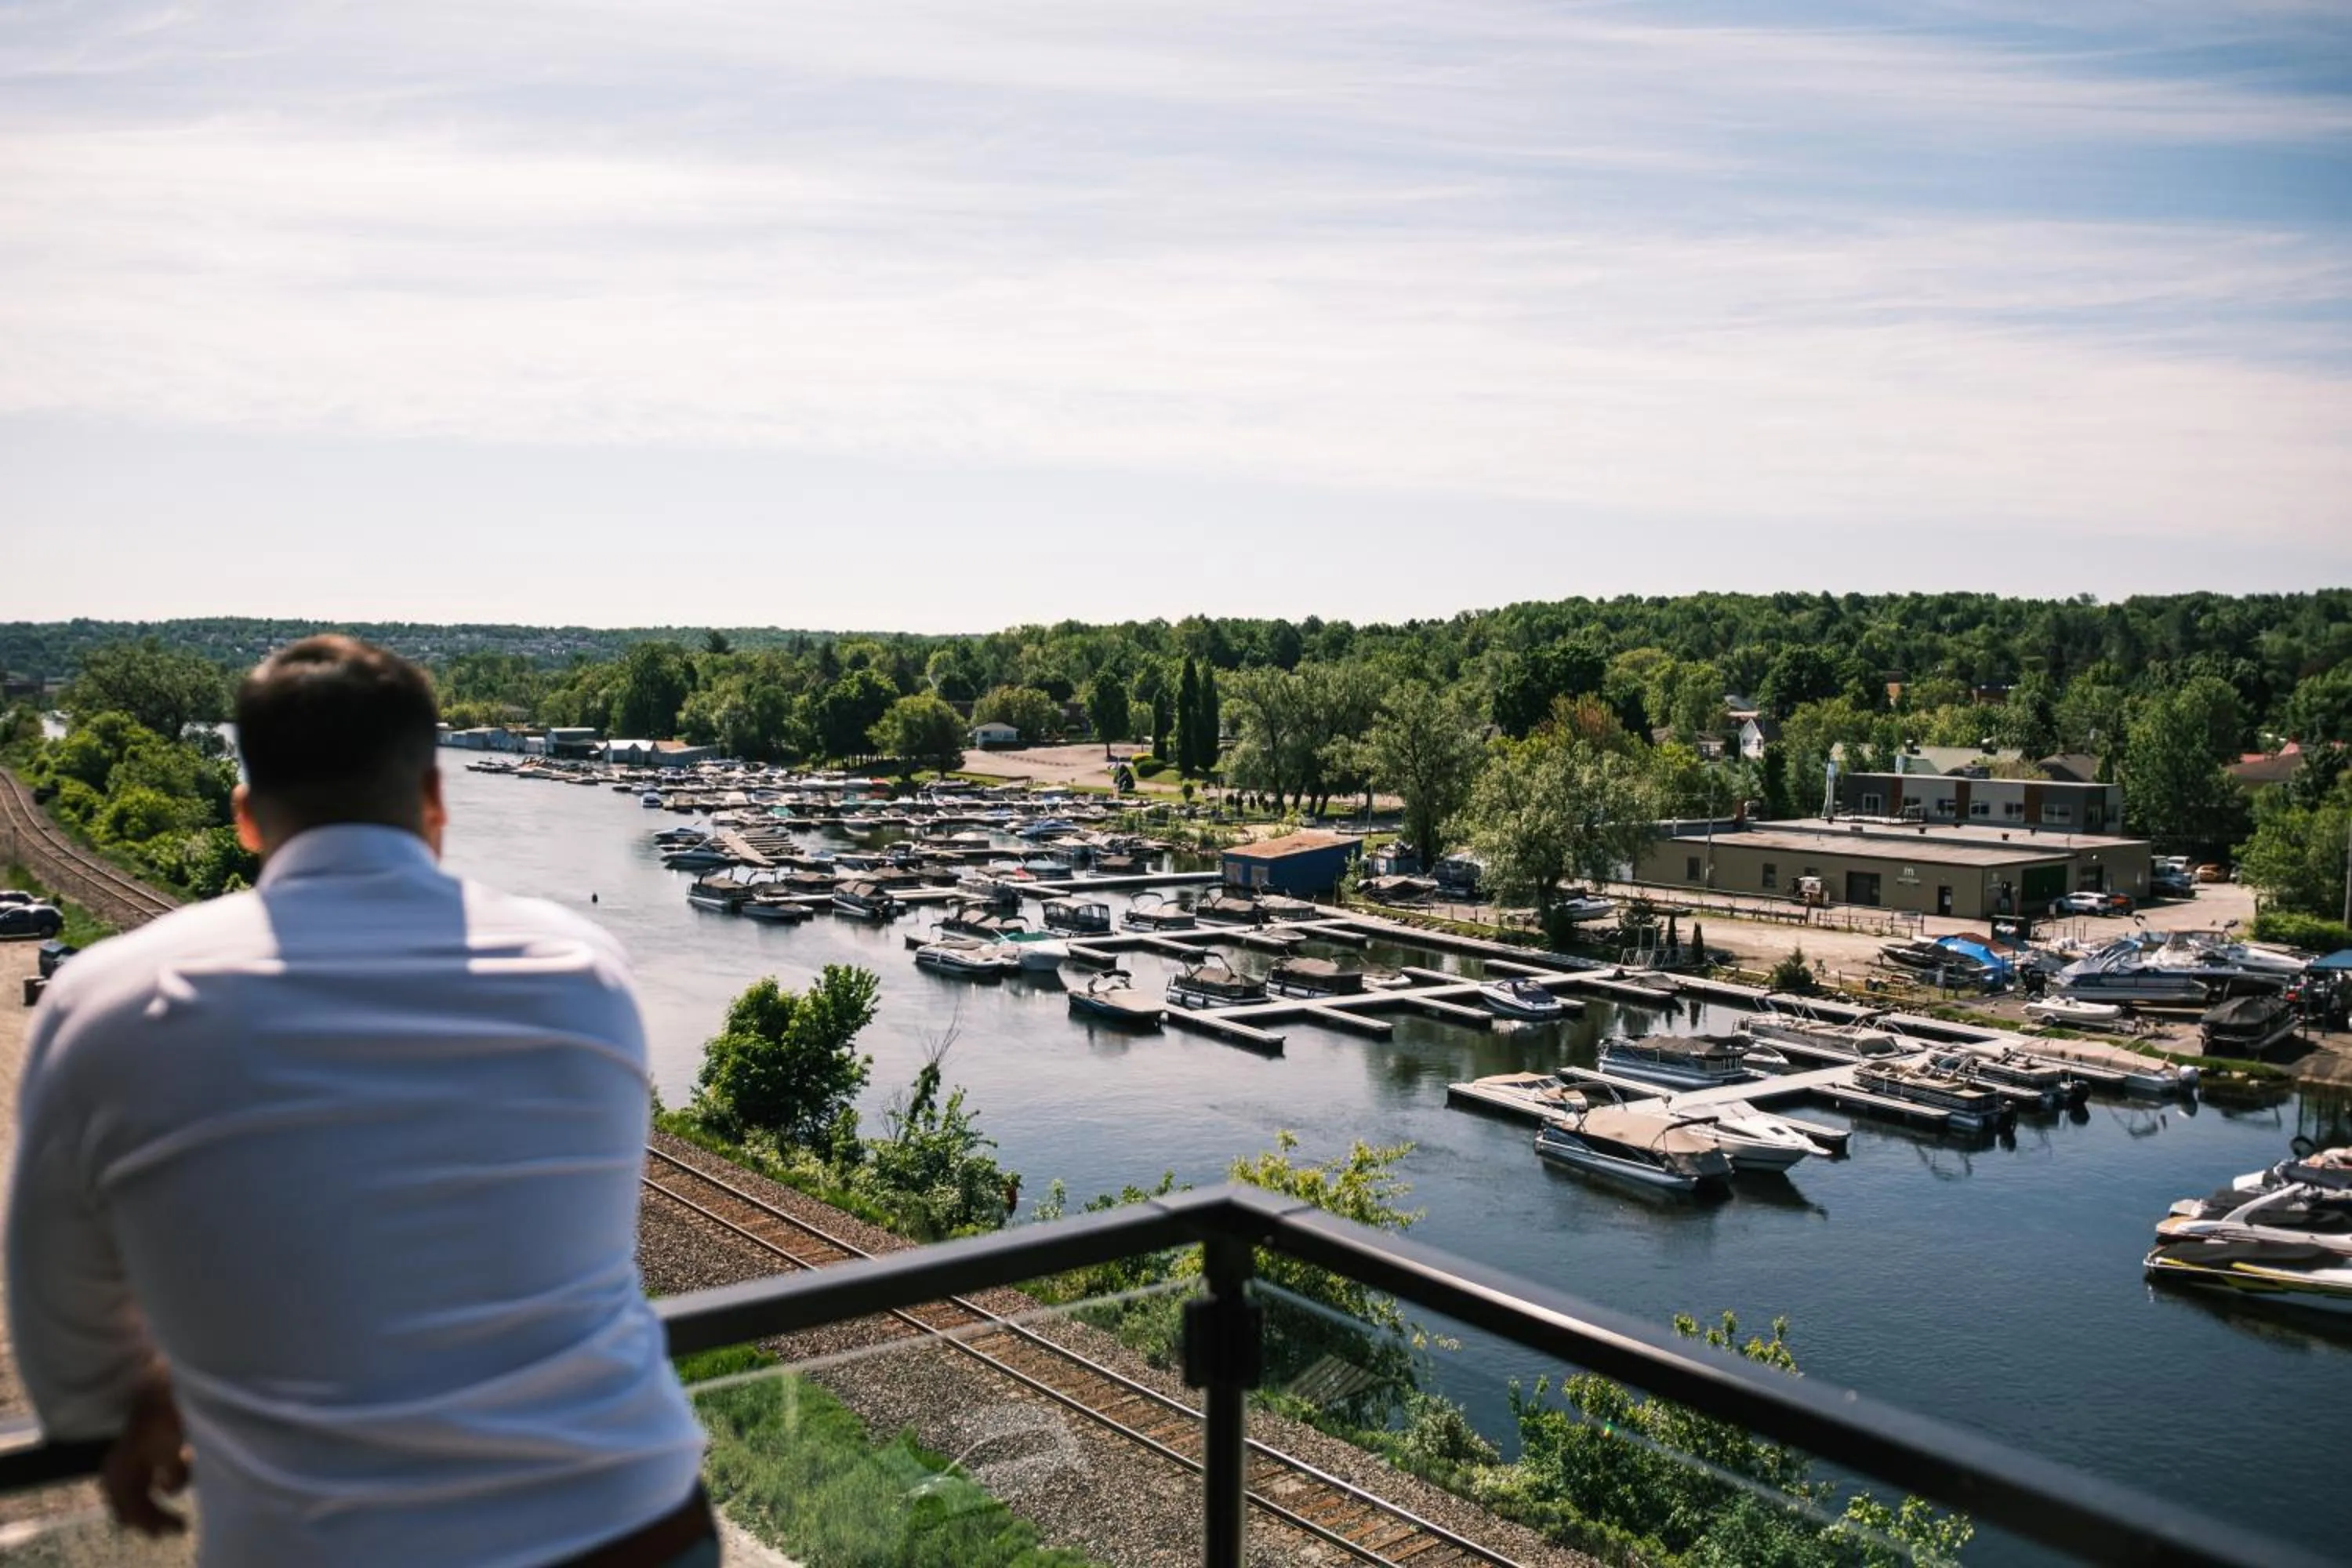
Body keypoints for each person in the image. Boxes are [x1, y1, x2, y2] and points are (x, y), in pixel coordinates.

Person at [6, 637, 711, 1566]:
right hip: (636, 1521)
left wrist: (140, 1402)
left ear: (246, 817)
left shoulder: (105, 999)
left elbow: (65, 1340)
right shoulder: (583, 967)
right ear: (435, 799)